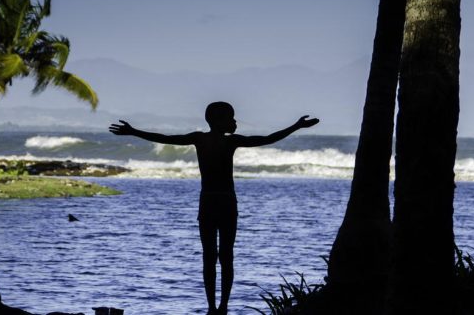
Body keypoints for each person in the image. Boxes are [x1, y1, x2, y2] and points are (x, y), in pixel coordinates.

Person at [109, 101, 319, 314]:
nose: (235, 122)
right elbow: (266, 139)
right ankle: (221, 307)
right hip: (225, 202)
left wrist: (133, 132)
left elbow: (166, 139)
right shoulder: (229, 141)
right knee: (224, 256)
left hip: (209, 201)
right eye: (231, 118)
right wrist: (296, 126)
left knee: (210, 256)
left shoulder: (201, 139)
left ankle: (214, 307)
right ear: (219, 120)